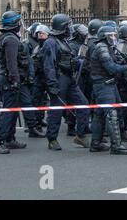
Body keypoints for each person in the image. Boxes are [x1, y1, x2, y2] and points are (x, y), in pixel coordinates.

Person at [0, 12, 44, 154]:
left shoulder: (6, 38)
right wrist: (15, 80)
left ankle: (10, 139)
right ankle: (0, 142)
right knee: (8, 112)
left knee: (14, 110)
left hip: (11, 78)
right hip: (10, 79)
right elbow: (11, 63)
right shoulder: (11, 40)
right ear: (15, 24)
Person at [42, 14, 90, 150]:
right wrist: (52, 84)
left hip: (69, 79)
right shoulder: (50, 42)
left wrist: (77, 61)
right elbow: (48, 65)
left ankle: (80, 135)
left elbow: (68, 59)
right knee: (56, 111)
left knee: (83, 105)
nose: (70, 28)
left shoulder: (64, 41)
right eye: (68, 25)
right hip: (59, 79)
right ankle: (52, 139)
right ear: (63, 27)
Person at [90, 26, 127, 154]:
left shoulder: (108, 47)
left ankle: (96, 143)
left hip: (109, 84)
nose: (113, 38)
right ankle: (116, 145)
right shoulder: (101, 47)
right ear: (104, 36)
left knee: (100, 115)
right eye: (110, 35)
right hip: (103, 85)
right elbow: (111, 68)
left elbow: (114, 62)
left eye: (114, 35)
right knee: (112, 115)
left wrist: (124, 61)